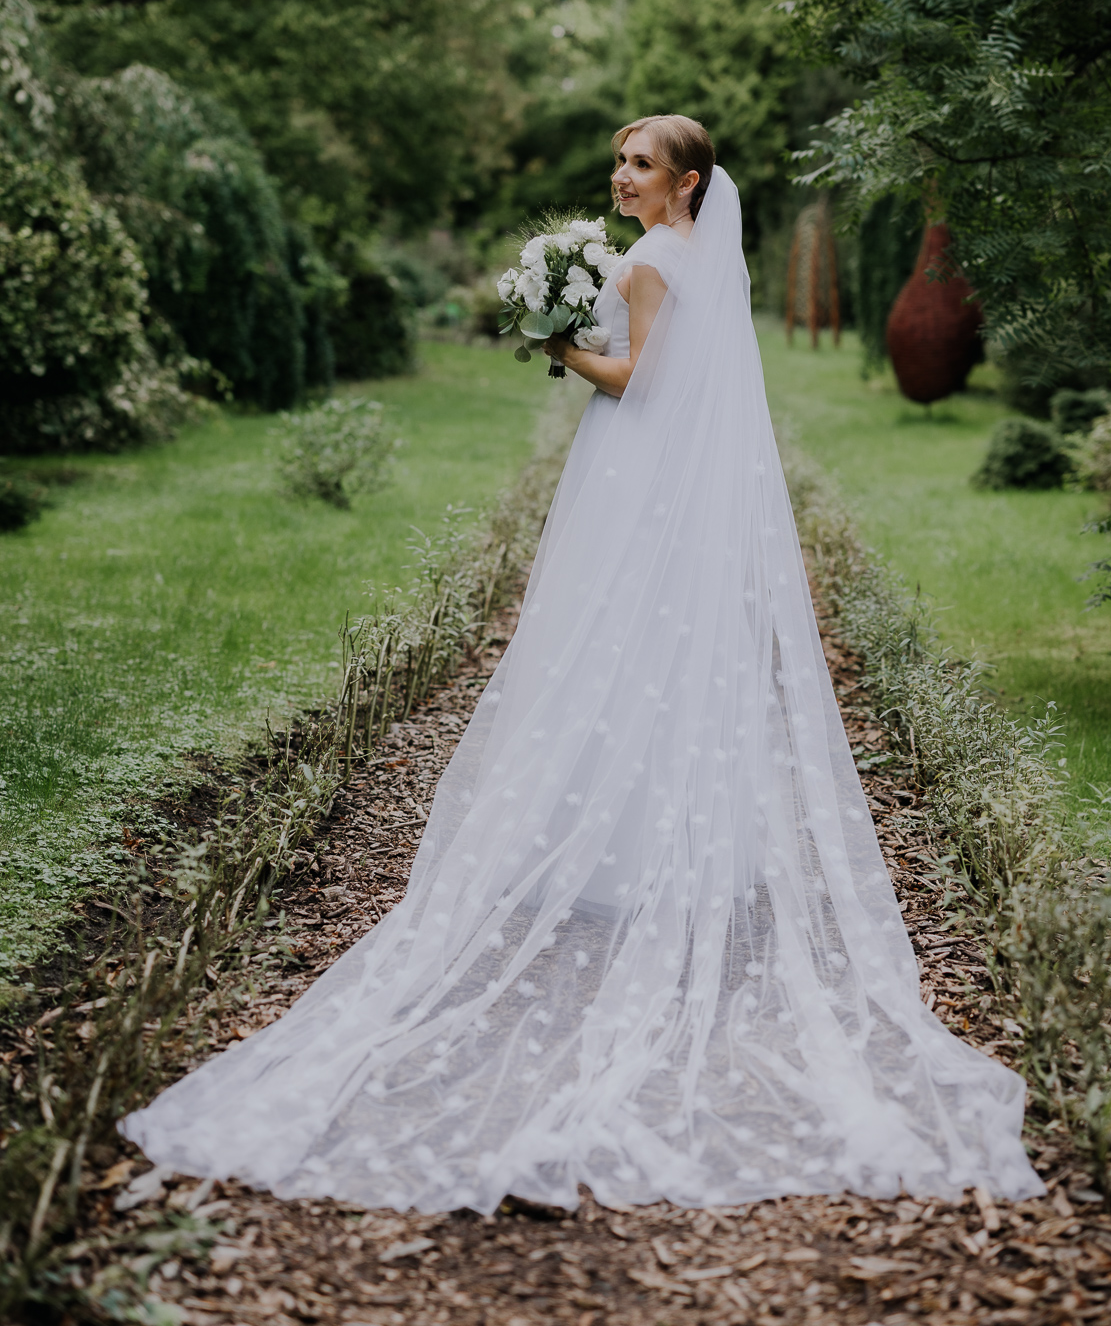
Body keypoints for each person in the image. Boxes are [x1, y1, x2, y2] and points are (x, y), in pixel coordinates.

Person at [124, 116, 1043, 1211]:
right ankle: (649, 839)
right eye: (619, 161)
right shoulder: (693, 256)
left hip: (632, 468)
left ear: (685, 183)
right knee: (649, 650)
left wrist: (555, 343)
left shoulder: (655, 258)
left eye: (640, 165)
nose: (621, 176)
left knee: (609, 638)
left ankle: (608, 848)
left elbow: (636, 383)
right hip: (660, 478)